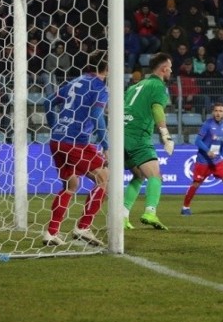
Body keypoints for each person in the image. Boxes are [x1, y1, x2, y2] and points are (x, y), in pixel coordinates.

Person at [42, 52, 109, 247]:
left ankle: (51, 232)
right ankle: (83, 228)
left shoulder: (76, 81)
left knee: (70, 186)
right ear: (109, 68)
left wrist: (55, 126)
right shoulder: (99, 87)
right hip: (76, 141)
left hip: (57, 140)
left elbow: (48, 101)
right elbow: (97, 116)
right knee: (104, 179)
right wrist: (106, 145)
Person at [123, 53, 175, 231]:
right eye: (170, 66)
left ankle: (122, 216)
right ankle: (150, 212)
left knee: (138, 175)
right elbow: (157, 108)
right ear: (164, 68)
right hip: (138, 135)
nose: (171, 70)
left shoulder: (135, 86)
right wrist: (166, 135)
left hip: (120, 133)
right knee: (155, 175)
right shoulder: (158, 85)